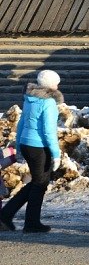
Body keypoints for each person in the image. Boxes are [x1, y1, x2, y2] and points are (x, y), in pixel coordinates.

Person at [0, 70, 63, 233]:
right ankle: (31, 223)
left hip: (28, 144)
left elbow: (21, 123)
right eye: (56, 82)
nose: (58, 84)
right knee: (40, 184)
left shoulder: (30, 98)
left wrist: (20, 146)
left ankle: (6, 215)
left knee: (37, 182)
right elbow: (49, 131)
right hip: (39, 146)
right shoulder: (48, 102)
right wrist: (56, 155)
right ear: (50, 84)